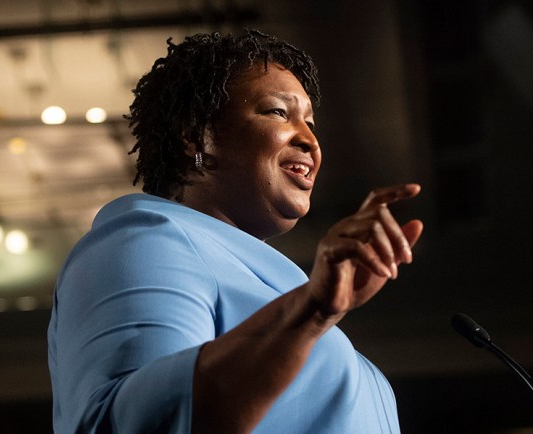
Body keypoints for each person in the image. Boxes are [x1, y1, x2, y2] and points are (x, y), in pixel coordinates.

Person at [47, 29, 423, 434]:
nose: (310, 140)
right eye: (278, 112)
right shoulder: (147, 240)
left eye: (310, 122)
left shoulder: (270, 284)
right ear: (196, 135)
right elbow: (136, 425)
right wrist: (311, 311)